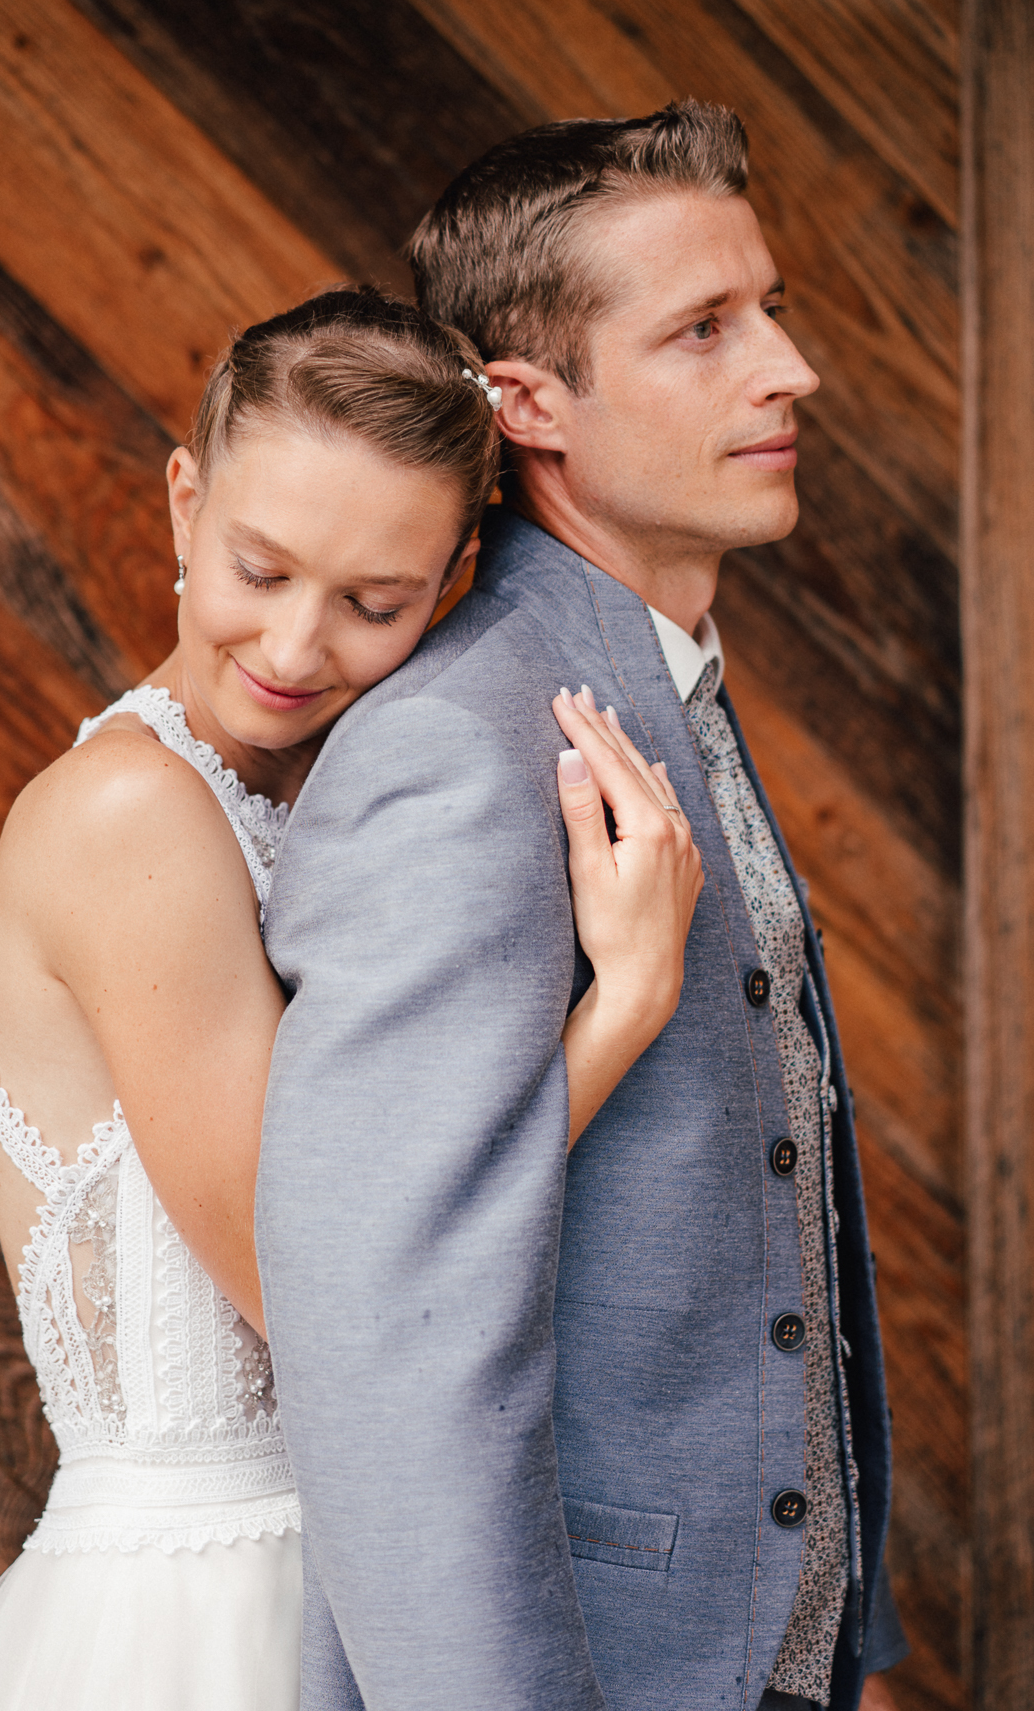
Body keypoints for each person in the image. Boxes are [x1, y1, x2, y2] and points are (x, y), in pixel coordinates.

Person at [0, 287, 703, 1711]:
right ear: (181, 502)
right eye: (258, 569)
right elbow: (316, 1290)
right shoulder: (127, 817)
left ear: (458, 575)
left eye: (373, 603)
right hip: (194, 1617)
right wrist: (624, 1004)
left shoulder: (338, 808)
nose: (291, 651)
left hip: (367, 1586)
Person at [256, 105, 910, 1711]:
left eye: (770, 311)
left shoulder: (657, 677)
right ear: (526, 401)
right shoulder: (461, 747)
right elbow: (391, 1341)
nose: (787, 370)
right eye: (702, 330)